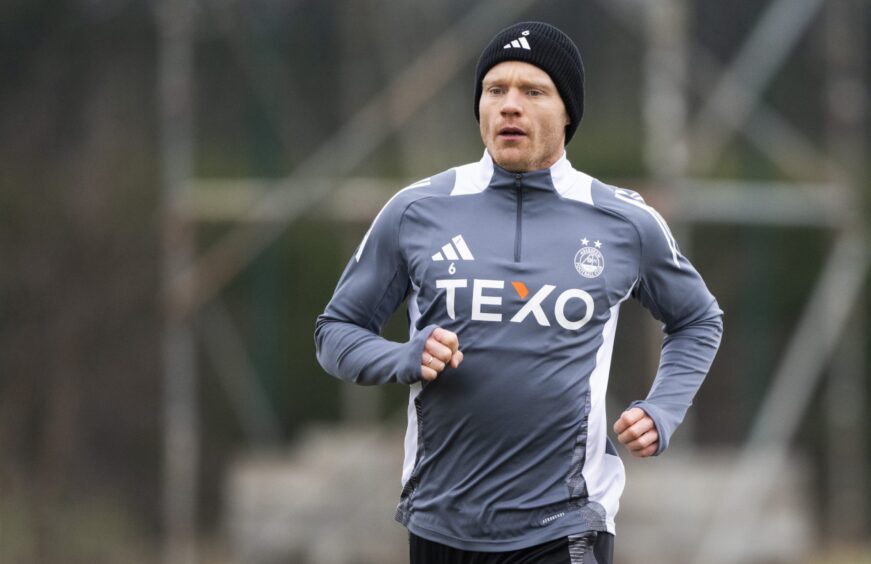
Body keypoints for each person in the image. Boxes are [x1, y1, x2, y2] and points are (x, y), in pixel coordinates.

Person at [315, 21, 723, 564]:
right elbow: (335, 333)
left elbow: (698, 320)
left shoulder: (625, 222)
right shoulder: (415, 210)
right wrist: (403, 357)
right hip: (441, 521)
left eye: (533, 92)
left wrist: (663, 409)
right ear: (480, 106)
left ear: (567, 112)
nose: (510, 106)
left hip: (567, 522)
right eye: (495, 90)